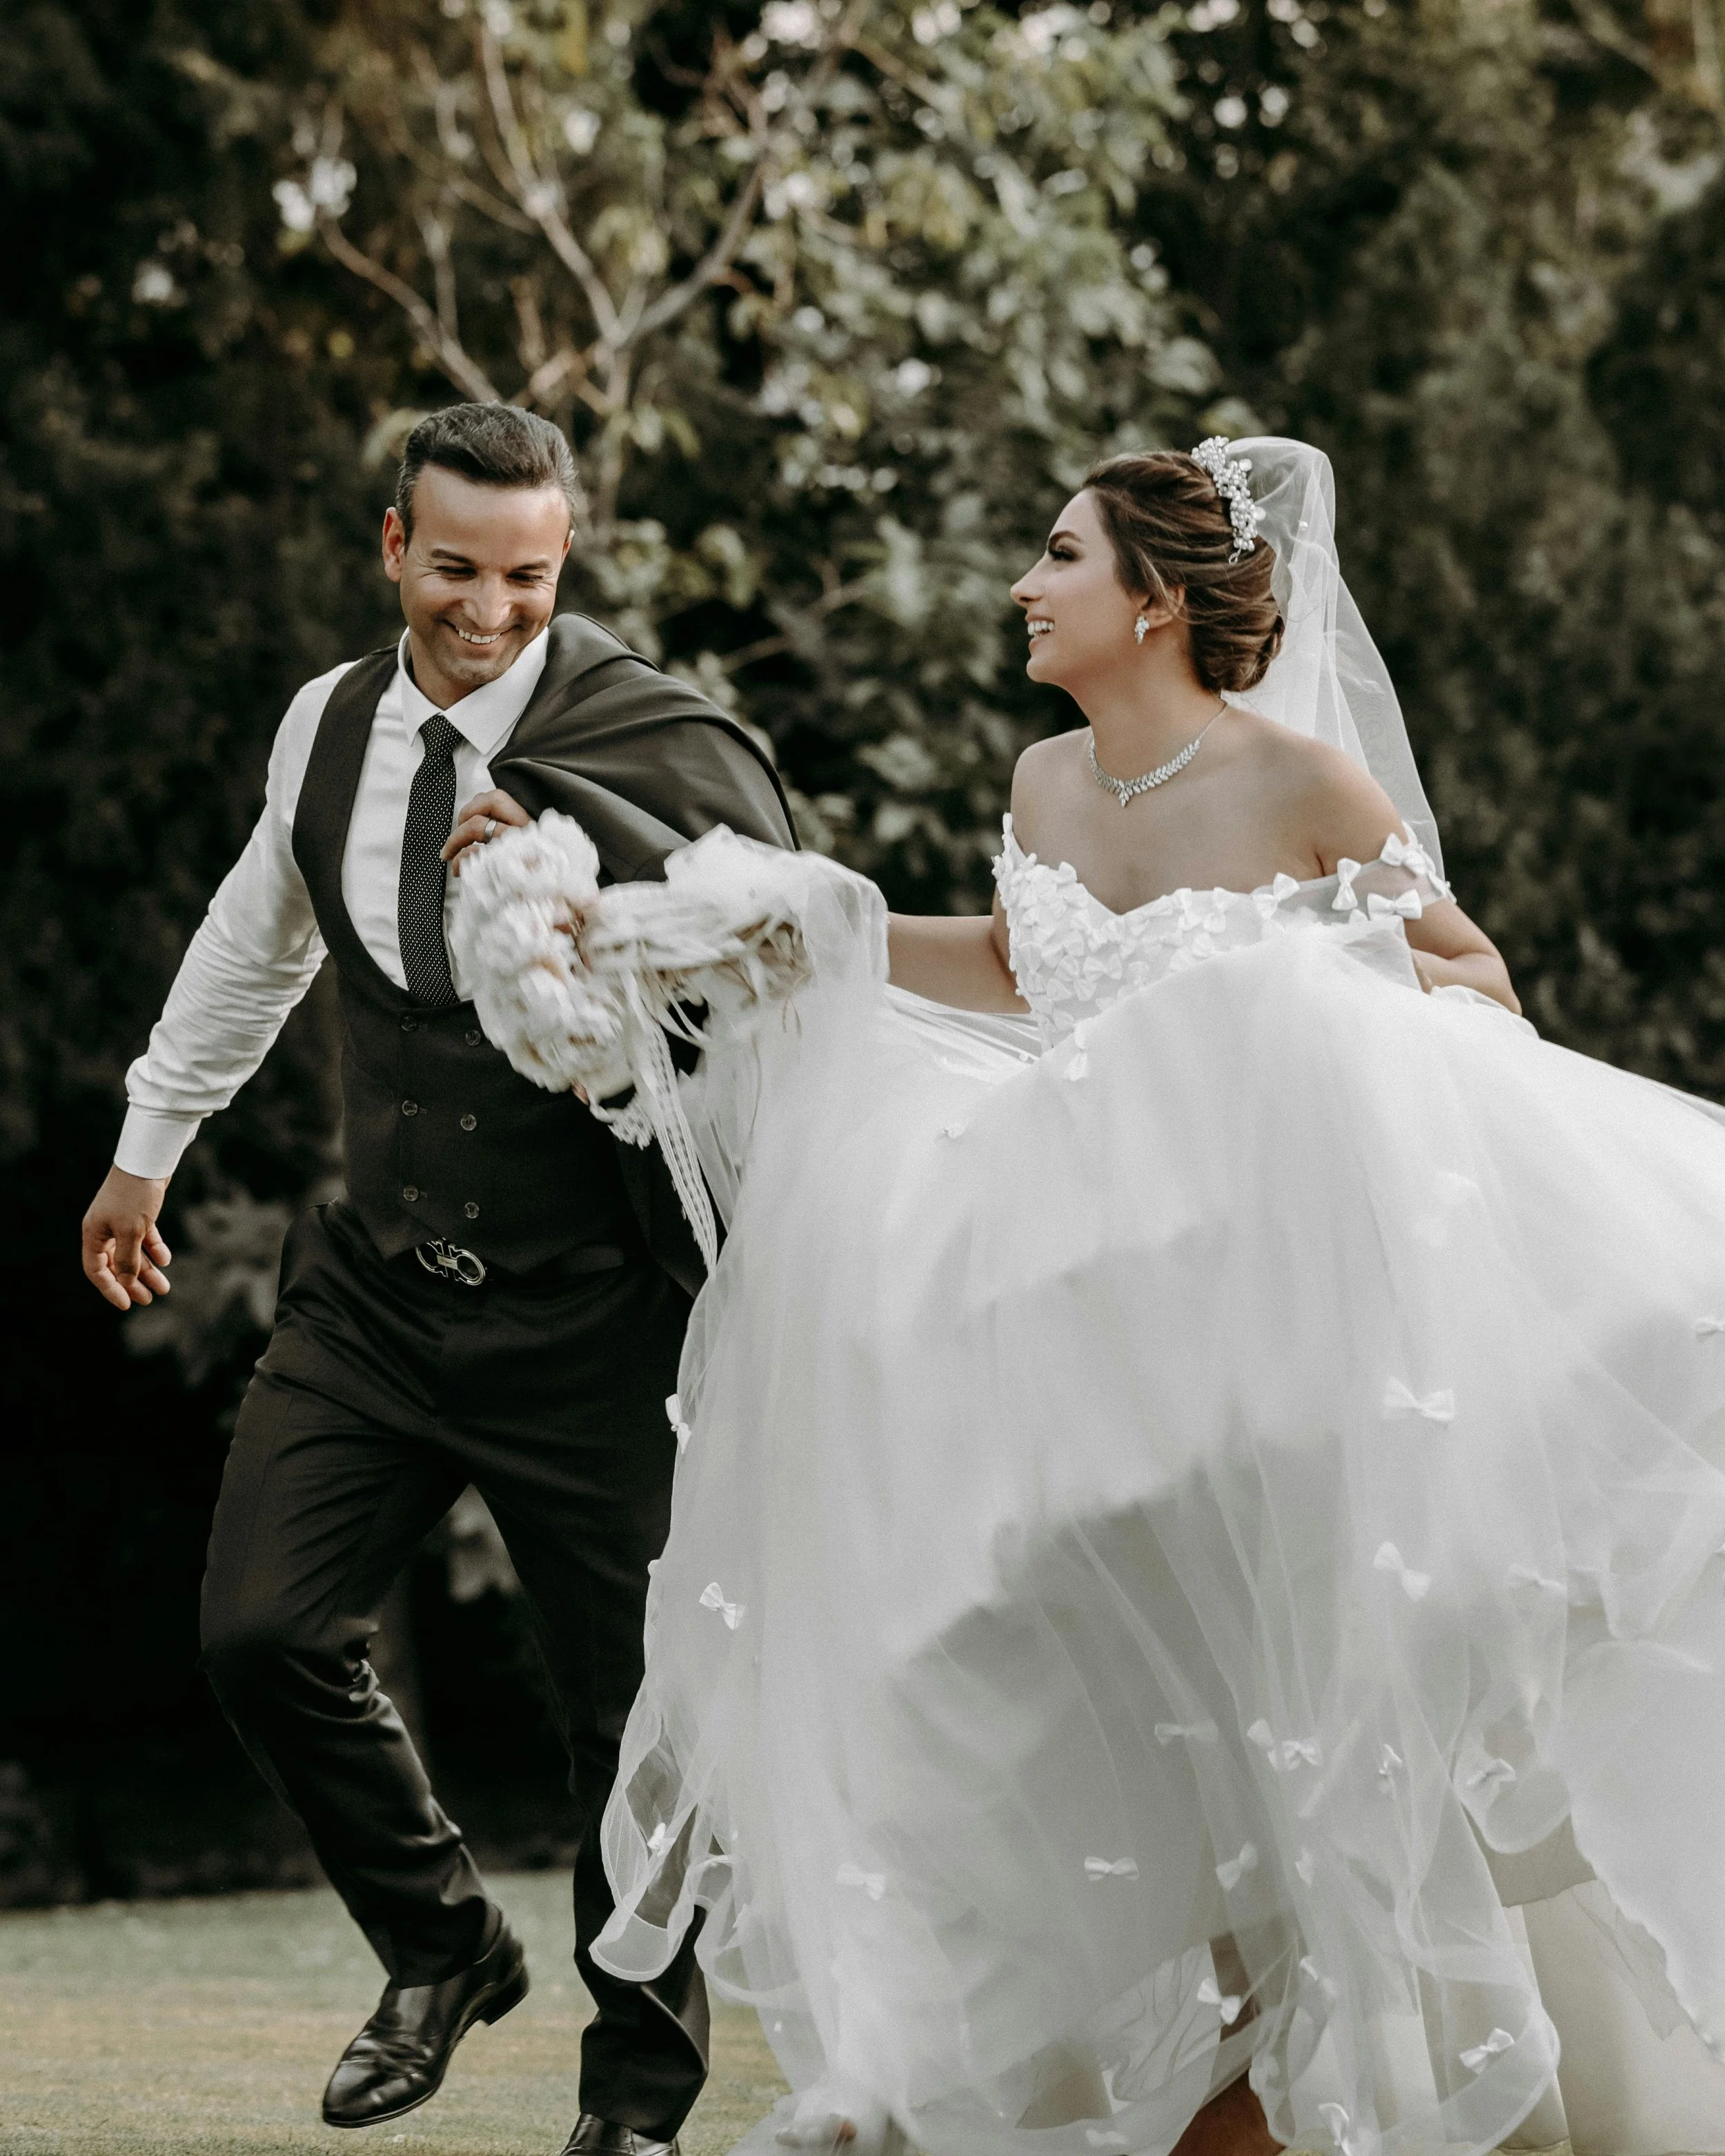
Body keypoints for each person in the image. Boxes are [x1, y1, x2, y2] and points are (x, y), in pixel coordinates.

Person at [455, 438, 1725, 2156]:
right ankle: (1025, 2055)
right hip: (1079, 1293)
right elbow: (1012, 959)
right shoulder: (1047, 779)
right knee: (1026, 1639)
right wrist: (815, 936)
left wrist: (1300, 1024)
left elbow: (1467, 972)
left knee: (1283, 1689)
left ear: (1152, 596)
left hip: (1260, 1309)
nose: (1021, 585)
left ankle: (1286, 2068)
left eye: (1057, 556)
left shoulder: (1301, 786)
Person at [79, 401, 796, 2151]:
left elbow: (775, 965)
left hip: (599, 1312)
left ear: (567, 563)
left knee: (629, 1721)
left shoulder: (656, 731)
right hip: (380, 1288)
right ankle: (443, 1939)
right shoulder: (324, 727)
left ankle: (633, 2104)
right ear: (394, 545)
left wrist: (597, 923)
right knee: (255, 1626)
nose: (490, 609)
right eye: (459, 568)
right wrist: (147, 1142)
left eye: (530, 578)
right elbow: (257, 939)